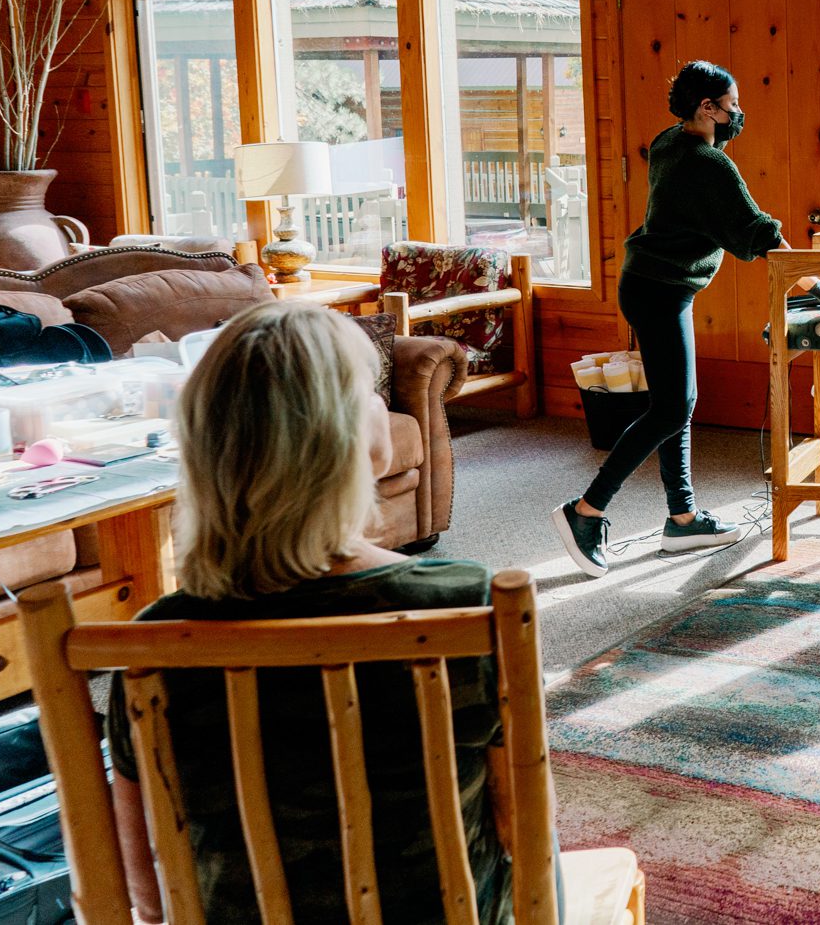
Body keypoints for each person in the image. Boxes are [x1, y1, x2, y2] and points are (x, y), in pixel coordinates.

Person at [108, 302, 515, 922]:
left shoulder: (149, 647)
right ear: (354, 440)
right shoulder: (468, 604)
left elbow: (145, 894)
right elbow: (519, 830)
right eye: (370, 393)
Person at [552, 59, 812, 575]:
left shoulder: (670, 141)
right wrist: (818, 286)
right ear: (707, 108)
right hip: (658, 291)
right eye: (732, 106)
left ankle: (683, 518)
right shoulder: (707, 164)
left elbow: (725, 213)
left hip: (652, 286)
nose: (740, 114)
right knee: (672, 408)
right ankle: (586, 511)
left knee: (678, 402)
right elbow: (759, 233)